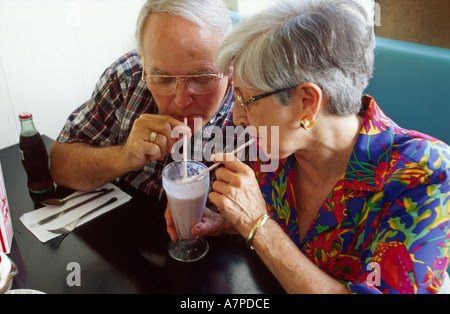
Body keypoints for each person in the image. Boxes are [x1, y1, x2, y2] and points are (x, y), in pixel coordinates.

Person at [166, 0, 450, 294]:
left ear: (307, 103)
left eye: (245, 99)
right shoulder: (271, 147)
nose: (237, 117)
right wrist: (228, 222)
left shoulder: (426, 176)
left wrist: (258, 226)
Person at [50, 0, 234, 200]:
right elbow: (60, 166)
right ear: (143, 63)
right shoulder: (126, 80)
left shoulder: (256, 103)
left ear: (230, 65)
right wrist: (124, 156)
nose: (182, 101)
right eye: (162, 79)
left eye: (201, 79)